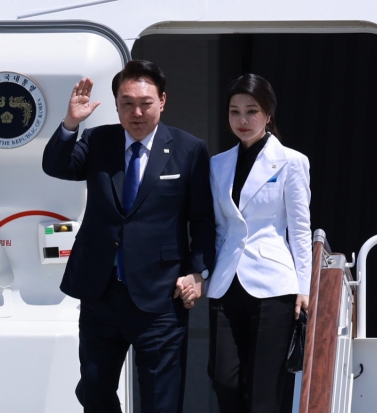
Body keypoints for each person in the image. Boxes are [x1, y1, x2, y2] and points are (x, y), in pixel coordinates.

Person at [42, 60, 215, 413]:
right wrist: (71, 123)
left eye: (145, 103)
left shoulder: (188, 149)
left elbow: (202, 220)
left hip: (161, 296)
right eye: (127, 103)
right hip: (100, 291)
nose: (136, 113)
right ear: (117, 104)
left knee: (160, 398)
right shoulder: (97, 140)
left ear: (162, 101)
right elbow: (56, 166)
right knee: (94, 389)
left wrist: (199, 273)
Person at [206, 74, 312, 413]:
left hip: (274, 284)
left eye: (252, 111)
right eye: (235, 112)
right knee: (223, 379)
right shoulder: (217, 164)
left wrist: (304, 286)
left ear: (268, 114)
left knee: (263, 390)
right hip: (225, 283)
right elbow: (220, 227)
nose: (242, 120)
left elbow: (299, 229)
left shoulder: (292, 161)